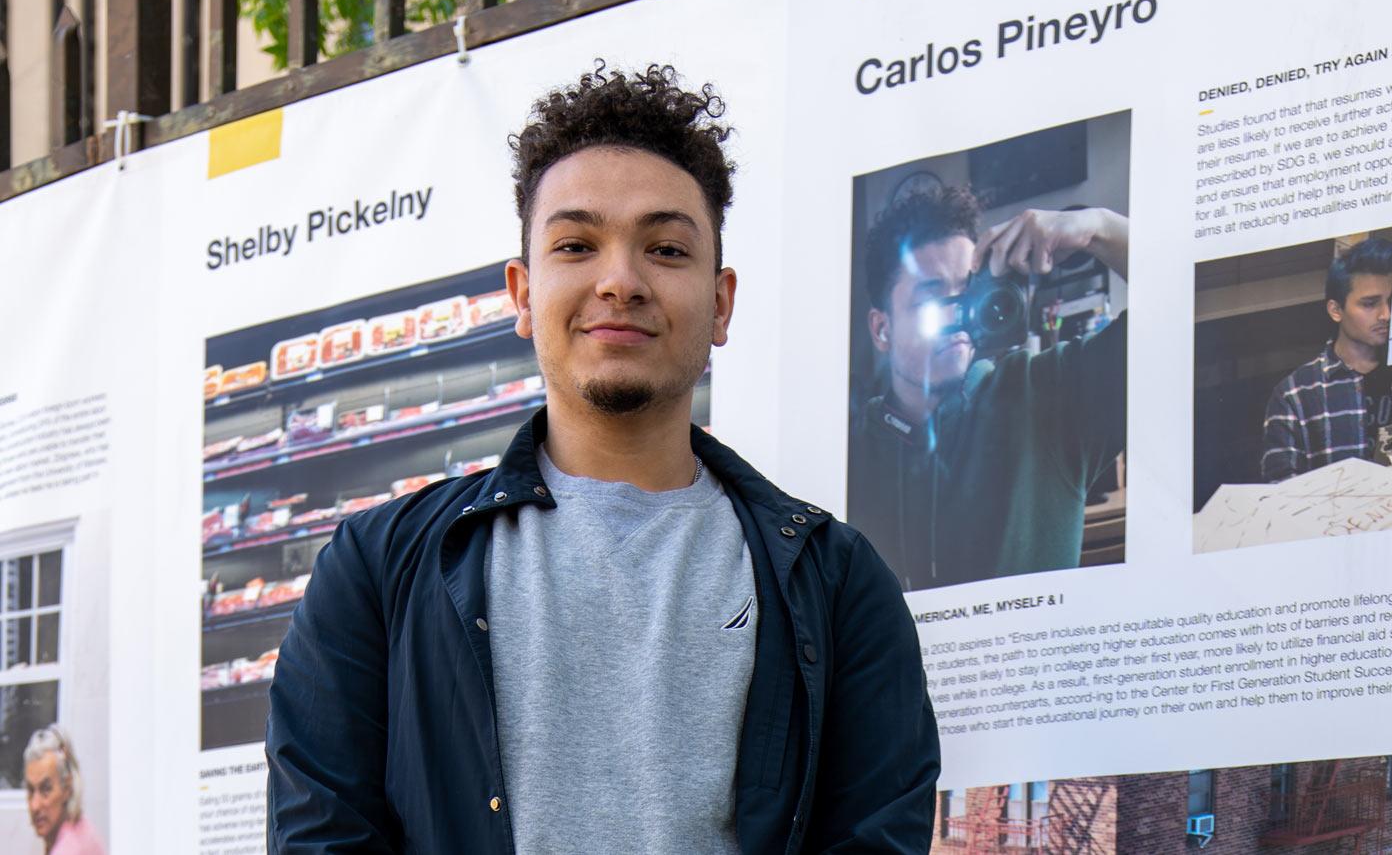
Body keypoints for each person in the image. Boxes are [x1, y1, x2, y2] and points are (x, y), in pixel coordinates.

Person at [265, 62, 938, 854]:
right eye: (578, 245)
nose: (619, 281)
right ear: (522, 294)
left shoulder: (839, 586)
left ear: (720, 303)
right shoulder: (377, 572)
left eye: (665, 248)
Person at [850, 185, 1129, 590]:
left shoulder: (1047, 392)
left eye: (967, 292)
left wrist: (1096, 227)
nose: (959, 315)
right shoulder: (850, 451)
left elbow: (1181, 301)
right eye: (932, 298)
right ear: (882, 328)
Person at [1261, 237, 1392, 481]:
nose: (1386, 315)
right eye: (1370, 304)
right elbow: (1279, 488)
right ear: (1336, 310)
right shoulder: (1294, 396)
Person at [23, 725, 106, 855]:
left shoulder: (70, 848)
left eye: (46, 789)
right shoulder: (81, 829)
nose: (35, 805)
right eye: (31, 791)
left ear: (67, 788)